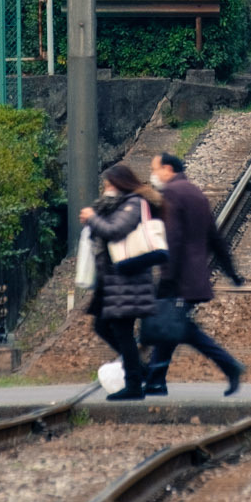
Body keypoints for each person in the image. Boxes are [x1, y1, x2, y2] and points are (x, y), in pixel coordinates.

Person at [144, 151, 246, 397]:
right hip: (192, 277)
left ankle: (230, 366)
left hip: (179, 277)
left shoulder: (172, 193)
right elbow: (215, 237)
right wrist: (231, 272)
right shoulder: (195, 192)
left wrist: (167, 278)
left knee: (182, 329)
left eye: (156, 169)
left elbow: (174, 238)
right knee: (173, 327)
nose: (153, 175)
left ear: (168, 169)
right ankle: (156, 380)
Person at [79, 162, 162, 401]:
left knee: (122, 332)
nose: (105, 187)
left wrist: (93, 218)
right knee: (103, 326)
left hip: (128, 280)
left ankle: (134, 384)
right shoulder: (116, 204)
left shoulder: (134, 204)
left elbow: (116, 231)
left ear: (121, 183)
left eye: (109, 182)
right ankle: (140, 371)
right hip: (114, 281)